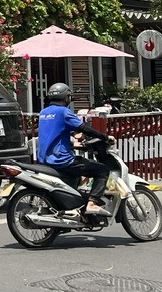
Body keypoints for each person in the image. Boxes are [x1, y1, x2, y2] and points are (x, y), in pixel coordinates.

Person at [35, 83, 114, 217]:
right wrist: (105, 137)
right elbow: (84, 128)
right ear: (66, 97)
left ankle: (70, 207)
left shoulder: (44, 112)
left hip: (45, 159)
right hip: (62, 160)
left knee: (76, 175)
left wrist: (73, 140)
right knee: (102, 170)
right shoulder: (63, 112)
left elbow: (55, 131)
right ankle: (92, 203)